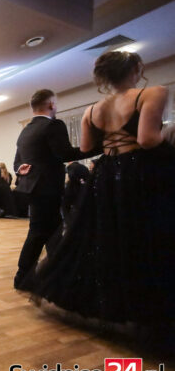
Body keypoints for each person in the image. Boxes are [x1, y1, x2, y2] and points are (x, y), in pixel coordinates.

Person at [29, 51, 175, 331]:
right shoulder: (152, 93)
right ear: (136, 69)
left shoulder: (92, 110)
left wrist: (110, 141)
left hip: (106, 176)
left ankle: (107, 302)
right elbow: (147, 139)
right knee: (142, 235)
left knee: (107, 236)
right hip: (137, 173)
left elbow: (86, 148)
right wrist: (168, 136)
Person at [13, 89, 99, 290]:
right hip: (47, 188)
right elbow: (65, 154)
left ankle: (59, 273)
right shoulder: (54, 125)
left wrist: (19, 168)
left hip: (33, 188)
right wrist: (99, 147)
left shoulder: (25, 130)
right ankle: (23, 277)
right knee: (39, 233)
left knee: (53, 233)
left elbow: (17, 161)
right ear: (51, 104)